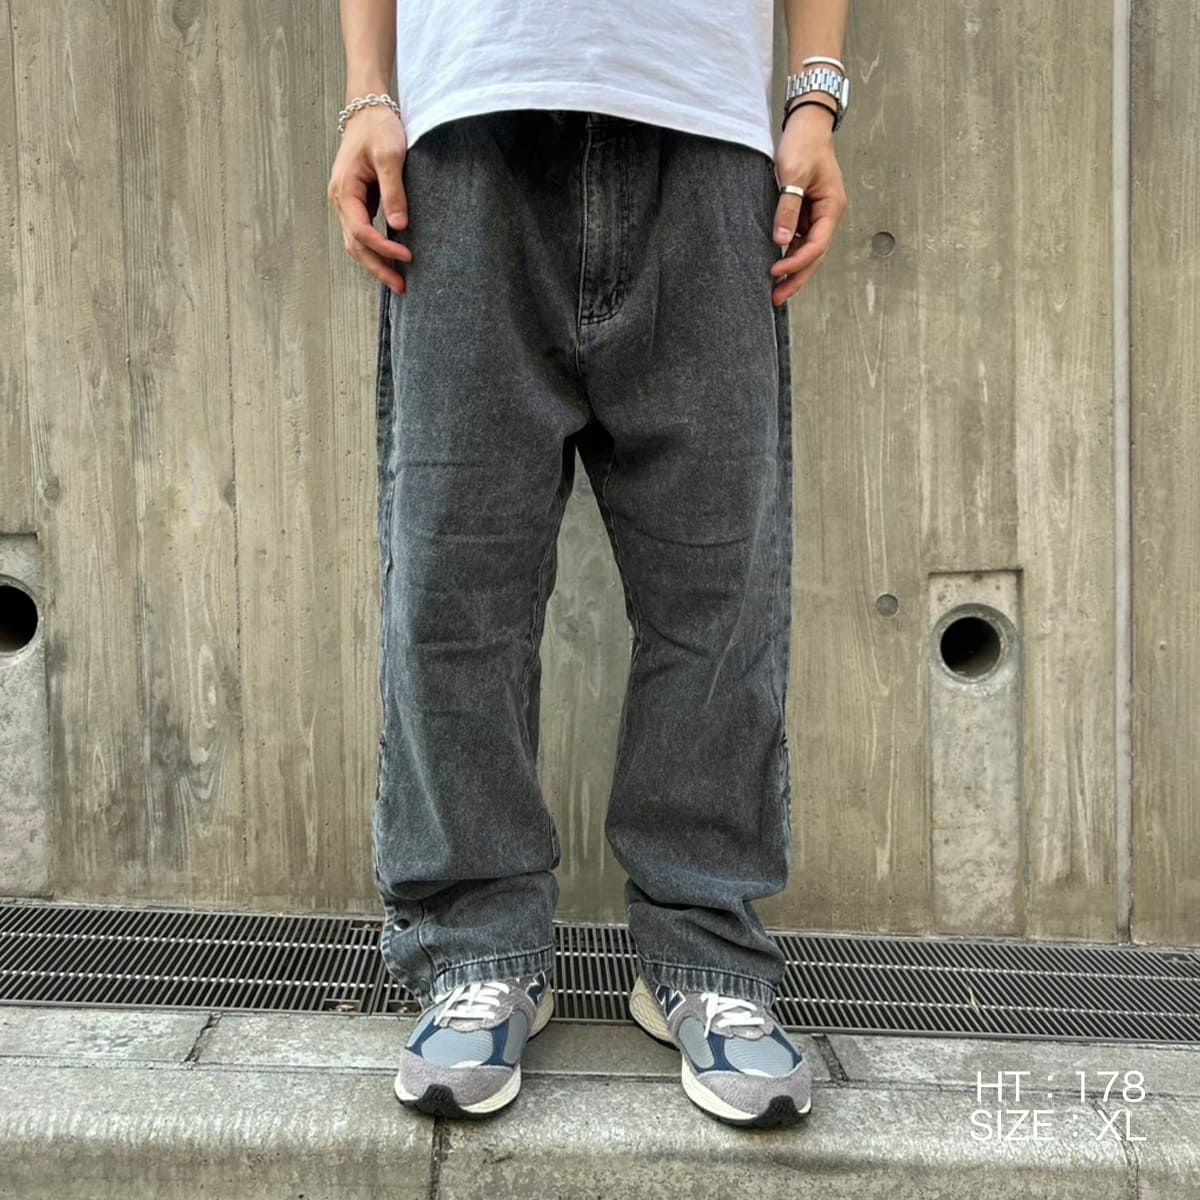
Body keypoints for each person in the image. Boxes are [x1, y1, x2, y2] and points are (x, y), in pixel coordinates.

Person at [329, 0, 849, 1129]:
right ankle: (476, 949)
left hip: (706, 136)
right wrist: (369, 93)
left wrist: (816, 97)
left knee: (720, 589)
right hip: (467, 131)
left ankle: (706, 954)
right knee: (454, 582)